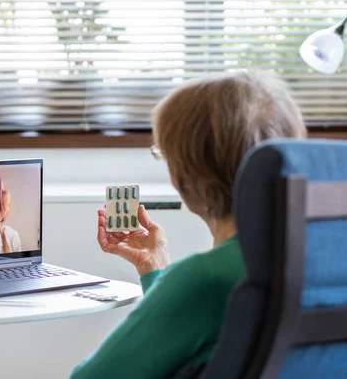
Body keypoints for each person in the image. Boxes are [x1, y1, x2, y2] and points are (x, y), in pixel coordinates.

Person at [70, 72, 307, 378]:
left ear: (188, 173)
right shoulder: (322, 256)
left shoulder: (206, 280)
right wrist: (155, 269)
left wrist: (176, 283)